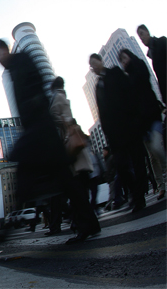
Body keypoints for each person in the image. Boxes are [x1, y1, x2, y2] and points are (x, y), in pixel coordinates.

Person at [0, 40, 69, 239]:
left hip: (41, 124)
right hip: (34, 127)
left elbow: (39, 80)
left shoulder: (22, 59)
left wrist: (35, 105)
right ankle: (85, 221)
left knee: (51, 174)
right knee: (58, 176)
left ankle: (6, 230)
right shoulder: (11, 71)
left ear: (4, 50)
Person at [90, 53, 147, 213]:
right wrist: (107, 132)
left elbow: (130, 93)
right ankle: (135, 193)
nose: (94, 67)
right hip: (115, 134)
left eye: (95, 62)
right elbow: (101, 112)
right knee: (121, 166)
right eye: (91, 65)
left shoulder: (114, 72)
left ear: (100, 61)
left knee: (138, 161)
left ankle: (139, 197)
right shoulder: (97, 85)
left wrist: (136, 119)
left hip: (129, 126)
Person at [47, 76, 101, 241]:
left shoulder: (57, 97)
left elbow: (54, 116)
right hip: (76, 147)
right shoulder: (64, 97)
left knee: (76, 191)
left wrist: (63, 124)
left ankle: (84, 227)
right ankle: (91, 225)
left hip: (70, 147)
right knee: (80, 191)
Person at [119, 49, 166, 200]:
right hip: (141, 123)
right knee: (152, 158)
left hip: (152, 116)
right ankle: (161, 187)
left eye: (125, 58)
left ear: (130, 57)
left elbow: (145, 81)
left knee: (158, 148)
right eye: (122, 60)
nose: (124, 61)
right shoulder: (126, 79)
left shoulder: (139, 66)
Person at [137, 25, 166, 104]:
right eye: (140, 37)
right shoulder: (152, 55)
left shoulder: (162, 41)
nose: (142, 38)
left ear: (147, 32)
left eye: (142, 33)